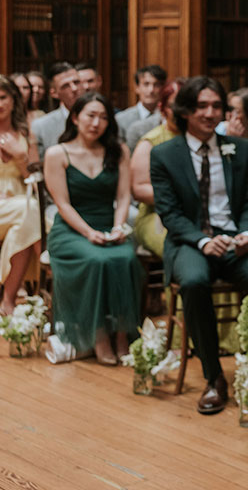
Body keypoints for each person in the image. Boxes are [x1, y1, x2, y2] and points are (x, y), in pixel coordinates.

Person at [149, 76, 248, 414]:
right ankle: (214, 376)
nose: (210, 112)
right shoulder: (164, 154)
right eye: (202, 105)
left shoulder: (240, 148)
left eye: (217, 105)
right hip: (190, 240)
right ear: (186, 110)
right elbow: (169, 213)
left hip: (236, 240)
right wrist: (202, 240)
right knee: (193, 281)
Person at [42, 92, 143, 363]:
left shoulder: (119, 151)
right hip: (71, 230)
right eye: (90, 115)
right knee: (96, 260)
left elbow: (123, 197)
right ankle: (98, 336)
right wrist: (89, 233)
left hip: (107, 223)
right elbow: (62, 204)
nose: (96, 123)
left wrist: (119, 227)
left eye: (103, 117)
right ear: (75, 118)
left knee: (126, 257)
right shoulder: (57, 153)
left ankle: (122, 333)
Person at [129, 79, 183, 257]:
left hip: (198, 215)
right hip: (156, 215)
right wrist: (183, 194)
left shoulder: (200, 139)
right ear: (163, 108)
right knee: (178, 243)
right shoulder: (150, 141)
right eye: (175, 106)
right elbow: (139, 189)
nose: (181, 112)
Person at [0, 76, 40, 316]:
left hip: (20, 201)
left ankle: (8, 299)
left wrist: (19, 156)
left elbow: (34, 180)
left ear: (14, 100)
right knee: (30, 214)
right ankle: (46, 256)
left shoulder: (26, 134)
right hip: (11, 205)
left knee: (25, 223)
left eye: (3, 97)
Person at [32, 62, 82, 159]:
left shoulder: (100, 118)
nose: (74, 88)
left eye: (77, 82)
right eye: (66, 86)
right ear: (54, 93)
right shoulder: (41, 126)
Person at [116, 64, 166, 148]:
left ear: (163, 88)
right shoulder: (121, 119)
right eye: (146, 84)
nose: (151, 90)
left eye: (156, 85)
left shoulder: (167, 117)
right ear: (137, 87)